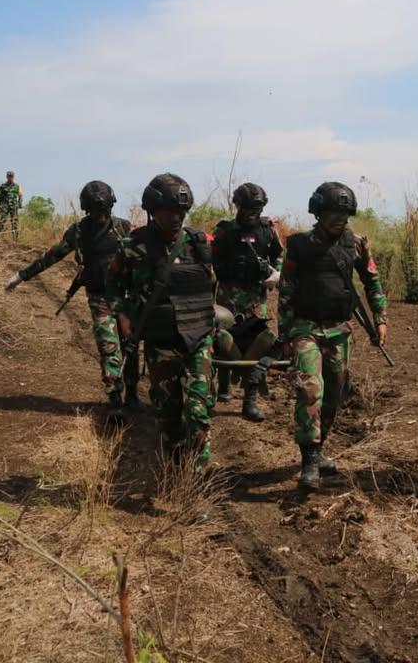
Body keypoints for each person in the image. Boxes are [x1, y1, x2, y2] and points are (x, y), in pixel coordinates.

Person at [278, 182, 388, 491]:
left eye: (344, 215)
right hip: (305, 328)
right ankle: (309, 460)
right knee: (309, 390)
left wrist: (380, 319)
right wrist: (284, 335)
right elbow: (286, 291)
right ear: (318, 213)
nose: (340, 220)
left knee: (334, 395)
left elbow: (372, 281)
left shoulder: (356, 244)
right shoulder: (299, 245)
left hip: (339, 330)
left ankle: (320, 446)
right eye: (333, 214)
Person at [107, 174, 217, 466]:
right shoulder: (134, 247)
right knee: (168, 416)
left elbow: (212, 285)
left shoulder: (198, 243)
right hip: (161, 341)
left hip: (198, 338)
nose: (176, 218)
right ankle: (175, 467)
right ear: (153, 211)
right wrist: (122, 315)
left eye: (181, 212)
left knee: (199, 410)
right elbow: (112, 284)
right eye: (169, 212)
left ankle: (197, 476)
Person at [3, 181, 139, 407]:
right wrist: (22, 275)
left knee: (130, 344)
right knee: (108, 345)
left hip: (127, 296)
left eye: (103, 212)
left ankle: (133, 395)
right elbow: (52, 256)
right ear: (87, 210)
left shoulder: (124, 228)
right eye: (95, 213)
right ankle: (115, 396)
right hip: (99, 297)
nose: (100, 218)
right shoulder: (79, 232)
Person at [211, 182, 283, 422]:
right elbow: (210, 259)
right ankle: (222, 384)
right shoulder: (224, 231)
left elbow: (279, 256)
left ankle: (249, 400)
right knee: (222, 340)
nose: (252, 213)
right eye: (248, 208)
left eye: (257, 208)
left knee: (258, 344)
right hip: (226, 299)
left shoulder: (267, 231)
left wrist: (276, 274)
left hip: (255, 300)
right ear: (237, 206)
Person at [0, 170, 23, 240]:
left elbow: (20, 196)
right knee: (2, 221)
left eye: (11, 176)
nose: (10, 178)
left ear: (13, 177)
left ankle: (15, 240)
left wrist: (20, 204)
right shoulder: (3, 186)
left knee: (15, 222)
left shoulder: (17, 186)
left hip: (14, 206)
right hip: (5, 206)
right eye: (9, 176)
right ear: (7, 177)